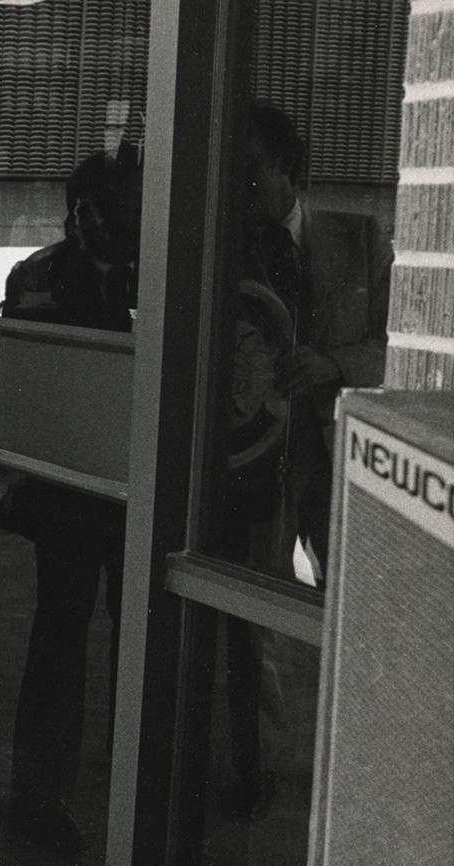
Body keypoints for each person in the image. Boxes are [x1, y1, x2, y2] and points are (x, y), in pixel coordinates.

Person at [216, 101, 391, 819]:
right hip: (256, 460)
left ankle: (365, 758)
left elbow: (396, 348)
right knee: (250, 615)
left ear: (289, 167)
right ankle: (256, 763)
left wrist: (333, 364)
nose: (242, 187)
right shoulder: (226, 252)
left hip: (333, 450)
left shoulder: (358, 239)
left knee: (359, 614)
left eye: (252, 169)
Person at [0, 148, 142, 856]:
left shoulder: (162, 274)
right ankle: (39, 792)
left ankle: (133, 787)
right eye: (98, 210)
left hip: (140, 486)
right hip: (69, 490)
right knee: (60, 633)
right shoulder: (42, 275)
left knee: (138, 637)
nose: (109, 224)